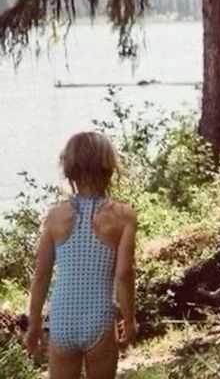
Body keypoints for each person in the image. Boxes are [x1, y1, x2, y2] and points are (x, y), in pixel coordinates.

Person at [25, 131, 137, 379]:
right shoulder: (123, 216)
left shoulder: (55, 215)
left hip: (62, 318)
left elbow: (41, 275)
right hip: (99, 317)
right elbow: (123, 274)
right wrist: (129, 319)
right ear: (109, 167)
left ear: (69, 169)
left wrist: (34, 322)